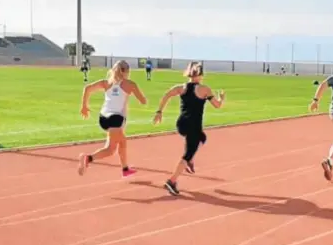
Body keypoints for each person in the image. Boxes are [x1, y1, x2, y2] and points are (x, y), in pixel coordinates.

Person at [153, 62, 225, 195]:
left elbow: (167, 95)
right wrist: (221, 99)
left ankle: (190, 160)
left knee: (201, 137)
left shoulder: (181, 87)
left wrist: (159, 111)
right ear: (201, 75)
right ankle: (172, 181)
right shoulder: (205, 89)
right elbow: (217, 105)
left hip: (181, 124)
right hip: (193, 125)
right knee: (189, 152)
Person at [77, 60, 147, 177]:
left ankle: (125, 169)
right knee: (111, 149)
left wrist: (84, 106)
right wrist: (136, 94)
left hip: (103, 118)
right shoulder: (130, 84)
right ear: (126, 71)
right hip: (115, 119)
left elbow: (87, 88)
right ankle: (88, 158)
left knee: (116, 146)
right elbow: (143, 101)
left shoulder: (106, 83)